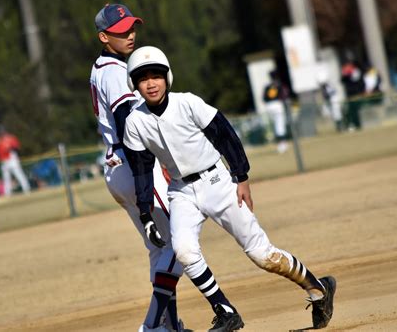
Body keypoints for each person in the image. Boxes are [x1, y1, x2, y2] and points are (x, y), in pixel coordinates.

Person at [123, 46, 337, 331]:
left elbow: (224, 134)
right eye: (143, 78)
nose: (151, 83)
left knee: (262, 254)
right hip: (181, 192)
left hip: (217, 182)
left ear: (167, 77)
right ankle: (225, 311)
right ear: (134, 84)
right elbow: (140, 170)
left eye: (156, 75)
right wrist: (146, 215)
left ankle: (319, 289)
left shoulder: (187, 103)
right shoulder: (135, 122)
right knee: (184, 250)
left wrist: (242, 177)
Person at [88, 4, 184, 332]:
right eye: (120, 31)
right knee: (180, 243)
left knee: (159, 249)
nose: (130, 35)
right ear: (104, 36)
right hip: (134, 164)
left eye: (131, 27)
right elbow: (127, 122)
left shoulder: (103, 67)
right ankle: (153, 326)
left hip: (116, 167)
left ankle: (168, 326)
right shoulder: (115, 71)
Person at [0, 125, 30, 196]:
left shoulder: (11, 138)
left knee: (18, 174)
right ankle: (7, 193)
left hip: (11, 159)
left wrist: (11, 150)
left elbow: (17, 148)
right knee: (6, 177)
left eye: (2, 131)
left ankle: (26, 188)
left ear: (4, 131)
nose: (1, 132)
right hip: (3, 161)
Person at [262, 70, 289, 153]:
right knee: (280, 125)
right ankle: (282, 144)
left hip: (269, 107)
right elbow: (284, 95)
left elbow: (264, 98)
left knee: (275, 125)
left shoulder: (267, 86)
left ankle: (280, 143)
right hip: (278, 105)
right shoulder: (279, 85)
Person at [341, 59, 365, 131]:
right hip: (350, 95)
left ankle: (358, 125)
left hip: (356, 94)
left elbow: (355, 80)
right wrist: (345, 74)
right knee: (350, 111)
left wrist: (349, 73)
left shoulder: (356, 71)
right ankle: (353, 125)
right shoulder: (346, 74)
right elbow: (342, 80)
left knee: (357, 110)